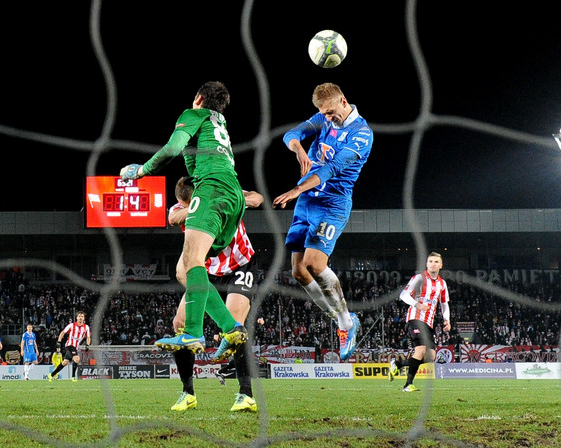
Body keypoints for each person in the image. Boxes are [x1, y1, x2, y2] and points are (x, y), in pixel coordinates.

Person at [120, 81, 247, 359]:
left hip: (212, 190)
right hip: (234, 196)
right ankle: (230, 327)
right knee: (184, 269)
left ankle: (193, 332)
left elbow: (170, 148)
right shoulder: (219, 124)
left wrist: (141, 171)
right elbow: (191, 163)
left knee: (192, 262)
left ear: (198, 98)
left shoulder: (194, 114)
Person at [272, 82, 373, 361]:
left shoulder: (362, 134)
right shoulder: (323, 118)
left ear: (344, 101)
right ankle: (344, 318)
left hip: (332, 204)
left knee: (315, 265)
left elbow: (332, 168)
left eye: (330, 112)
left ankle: (345, 324)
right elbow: (292, 134)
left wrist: (296, 190)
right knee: (298, 272)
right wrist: (299, 150)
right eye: (322, 114)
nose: (327, 118)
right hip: (307, 201)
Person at [168, 175, 263, 412]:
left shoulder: (224, 191)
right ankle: (187, 392)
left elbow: (258, 198)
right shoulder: (182, 207)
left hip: (238, 264)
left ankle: (246, 394)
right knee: (179, 323)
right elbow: (172, 217)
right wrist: (197, 209)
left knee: (234, 323)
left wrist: (240, 199)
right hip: (205, 271)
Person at [389, 252, 451, 392]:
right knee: (420, 350)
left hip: (429, 322)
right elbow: (403, 295)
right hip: (415, 318)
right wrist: (417, 305)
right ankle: (407, 385)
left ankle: (398, 364)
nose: (433, 264)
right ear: (426, 264)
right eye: (430, 261)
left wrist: (447, 319)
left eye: (436, 262)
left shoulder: (442, 283)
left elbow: (444, 304)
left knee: (430, 356)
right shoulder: (419, 278)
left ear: (441, 265)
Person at [47, 311, 91, 382]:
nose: (80, 318)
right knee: (77, 359)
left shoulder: (86, 327)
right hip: (69, 345)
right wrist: (59, 341)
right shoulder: (71, 325)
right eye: (79, 316)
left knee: (65, 362)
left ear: (84, 318)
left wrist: (87, 345)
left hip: (75, 347)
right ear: (76, 318)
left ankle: (51, 375)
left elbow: (88, 337)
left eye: (82, 316)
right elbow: (63, 332)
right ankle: (73, 377)